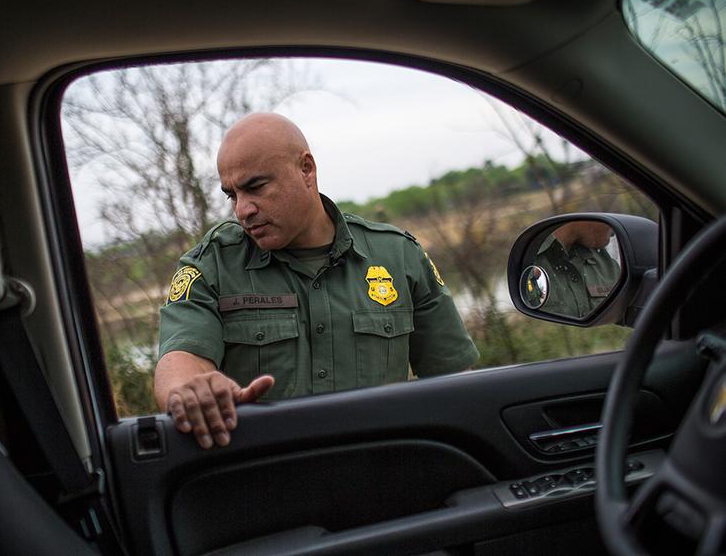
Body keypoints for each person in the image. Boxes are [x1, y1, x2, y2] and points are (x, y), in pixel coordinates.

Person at [153, 113, 478, 449]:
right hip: (266, 477)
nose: (242, 210)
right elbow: (179, 360)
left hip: (382, 470)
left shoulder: (398, 256)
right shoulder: (213, 265)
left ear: (306, 169)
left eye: (255, 187)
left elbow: (455, 383)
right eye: (232, 195)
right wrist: (191, 390)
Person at [534, 220, 621, 318]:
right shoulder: (528, 261)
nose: (614, 231)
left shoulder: (607, 265)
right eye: (608, 214)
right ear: (585, 214)